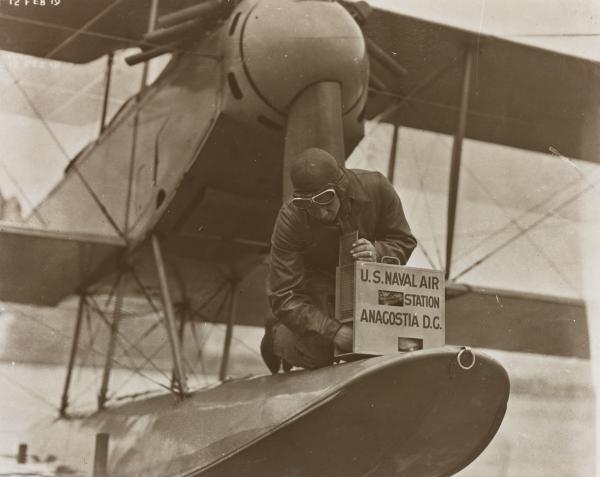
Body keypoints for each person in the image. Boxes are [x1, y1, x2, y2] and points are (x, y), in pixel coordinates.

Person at [260, 147, 417, 373]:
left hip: (367, 278)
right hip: (317, 284)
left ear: (340, 185)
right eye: (307, 205)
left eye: (326, 199)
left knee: (395, 340)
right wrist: (333, 331)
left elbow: (403, 240)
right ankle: (275, 337)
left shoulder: (377, 188)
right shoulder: (289, 219)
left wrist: (378, 252)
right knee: (322, 352)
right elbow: (284, 295)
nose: (321, 212)